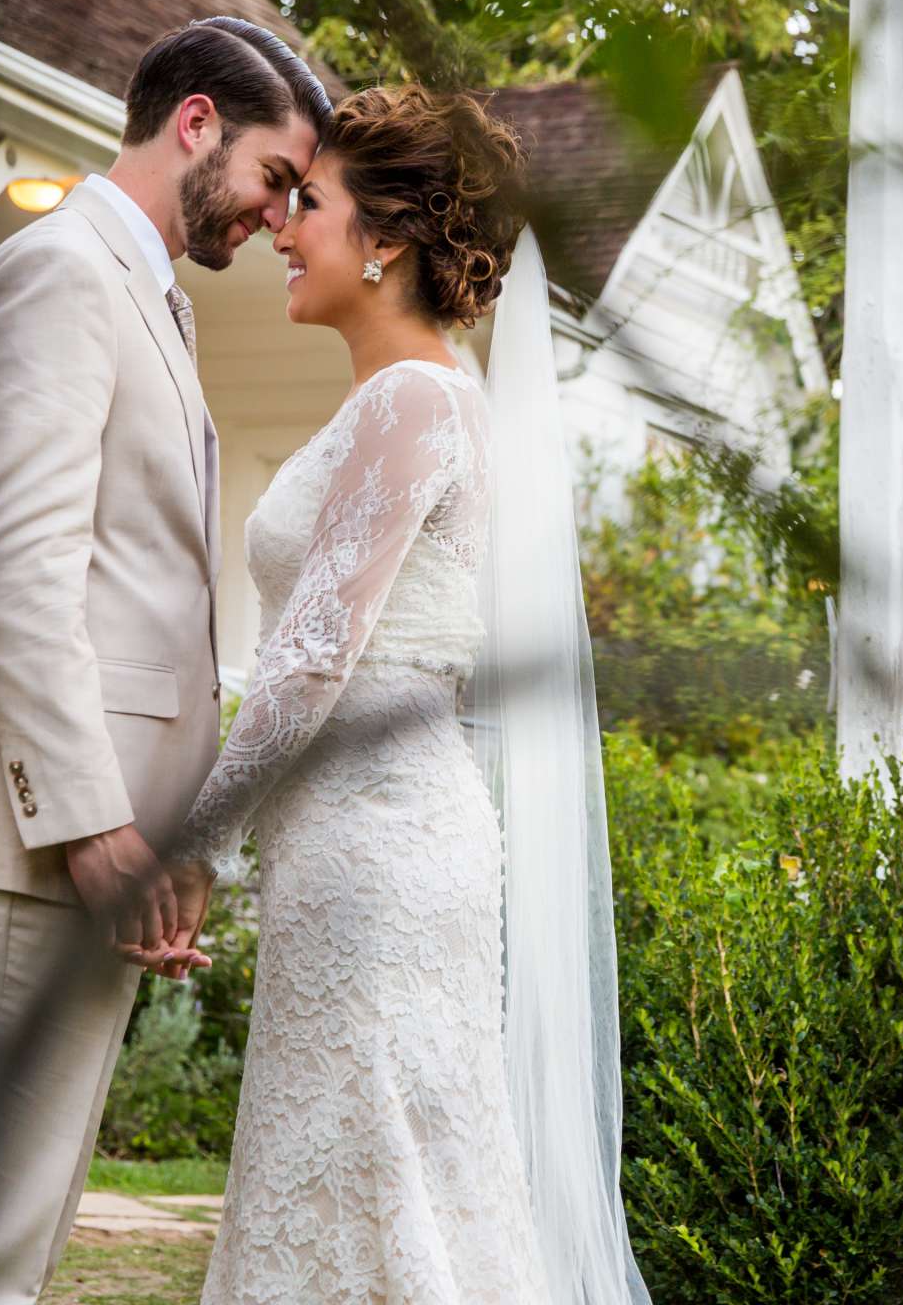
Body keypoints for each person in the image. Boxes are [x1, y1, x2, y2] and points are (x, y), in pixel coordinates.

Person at [161, 86, 649, 1303]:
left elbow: (317, 652)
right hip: (359, 844)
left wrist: (197, 840)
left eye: (305, 202)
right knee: (367, 1175)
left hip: (378, 857)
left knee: (374, 1171)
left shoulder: (414, 400)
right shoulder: (405, 400)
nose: (279, 223)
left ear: (383, 239)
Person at [0, 16, 329, 1305]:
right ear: (197, 124)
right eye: (278, 178)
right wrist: (95, 826)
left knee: (16, 1244)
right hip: (26, 849)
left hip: (98, 859)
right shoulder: (60, 271)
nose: (280, 218)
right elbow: (14, 562)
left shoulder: (151, 294)